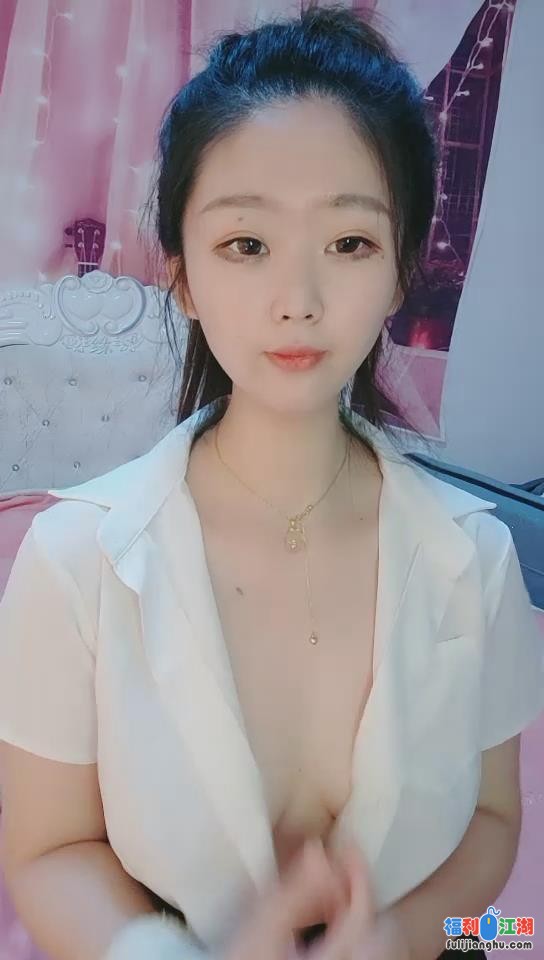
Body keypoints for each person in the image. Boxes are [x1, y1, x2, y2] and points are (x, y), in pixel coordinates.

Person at [0, 5, 543, 960]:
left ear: (402, 269)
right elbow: (46, 851)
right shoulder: (73, 560)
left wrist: (405, 940)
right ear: (182, 276)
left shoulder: (478, 557)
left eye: (350, 243)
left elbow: (495, 822)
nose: (299, 300)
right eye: (247, 244)